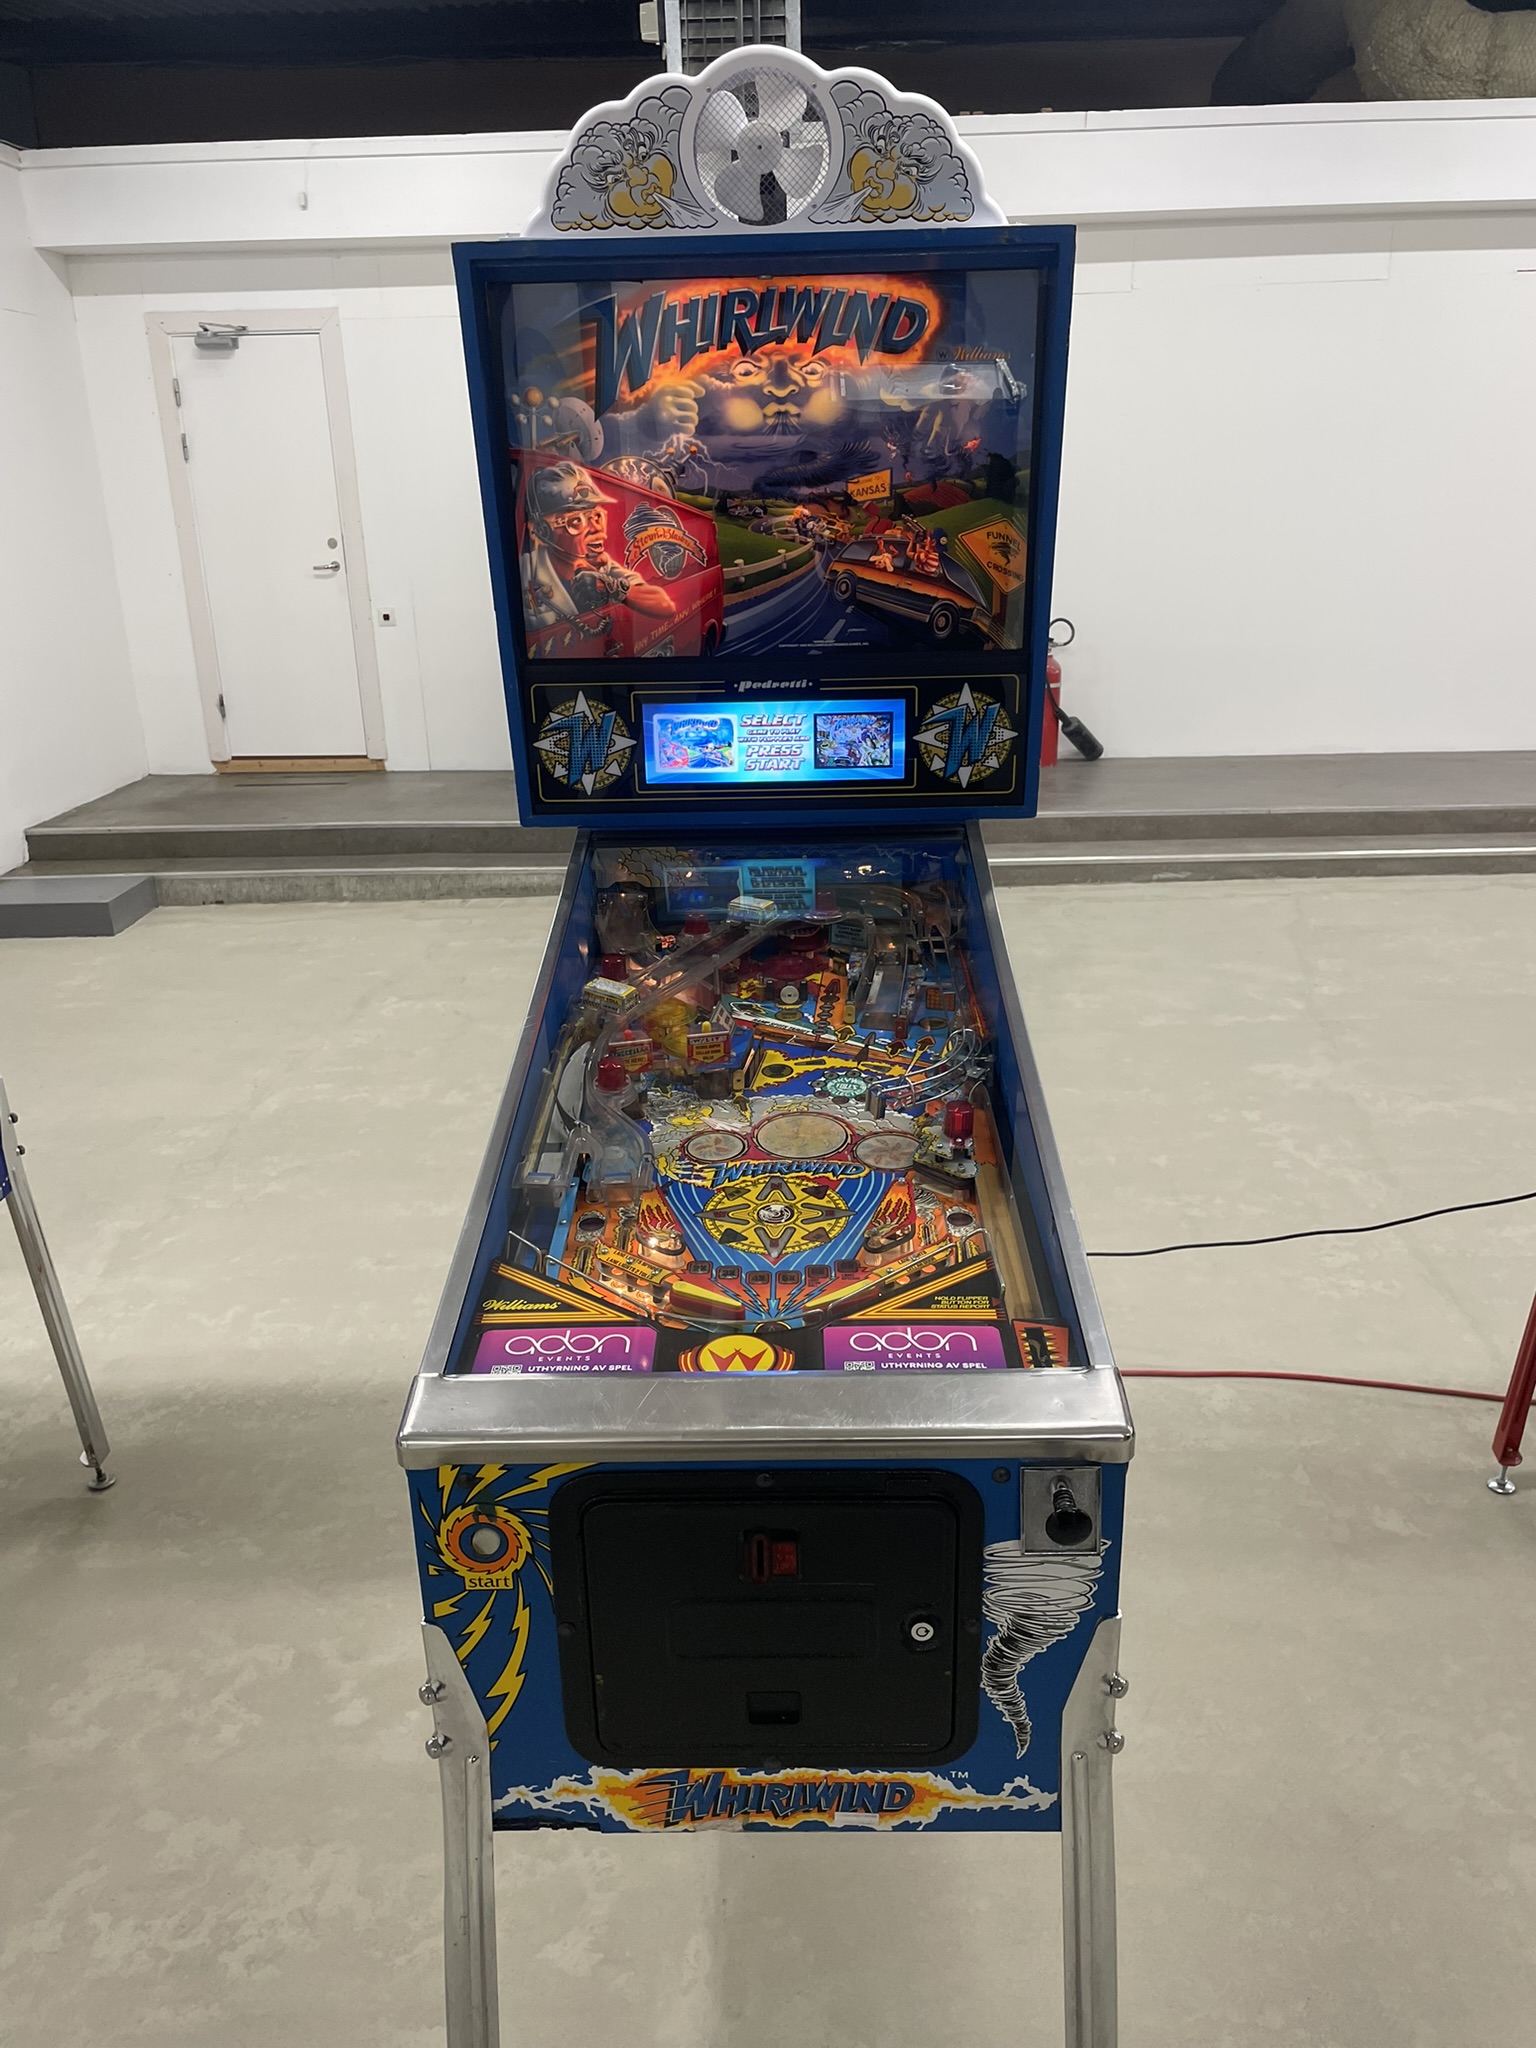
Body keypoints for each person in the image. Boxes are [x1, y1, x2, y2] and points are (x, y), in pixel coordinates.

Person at [520, 462, 673, 630]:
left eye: (598, 517)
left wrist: (612, 587)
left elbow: (664, 605)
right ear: (543, 531)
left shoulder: (601, 566)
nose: (597, 529)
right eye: (577, 521)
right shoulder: (525, 570)